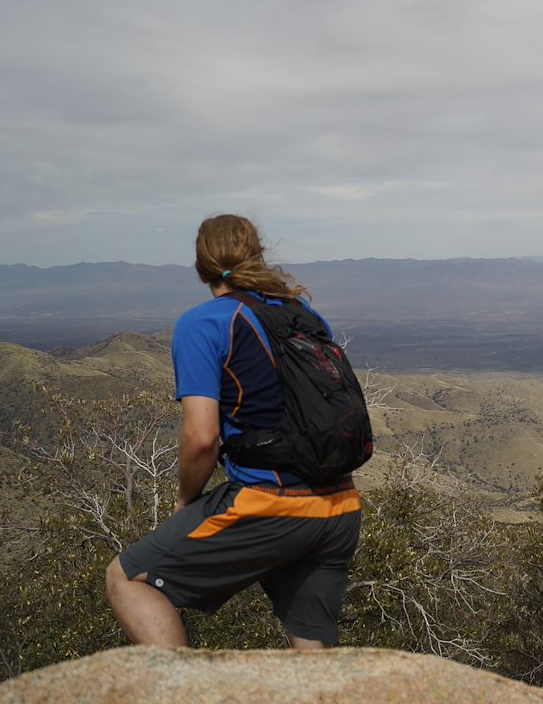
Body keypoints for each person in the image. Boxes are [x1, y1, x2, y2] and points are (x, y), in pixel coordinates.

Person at [105, 214, 361, 650]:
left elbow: (202, 437)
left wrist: (186, 500)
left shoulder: (204, 323)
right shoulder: (303, 315)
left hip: (271, 505)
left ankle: (182, 693)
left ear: (201, 268)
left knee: (127, 579)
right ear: (258, 255)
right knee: (313, 652)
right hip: (339, 505)